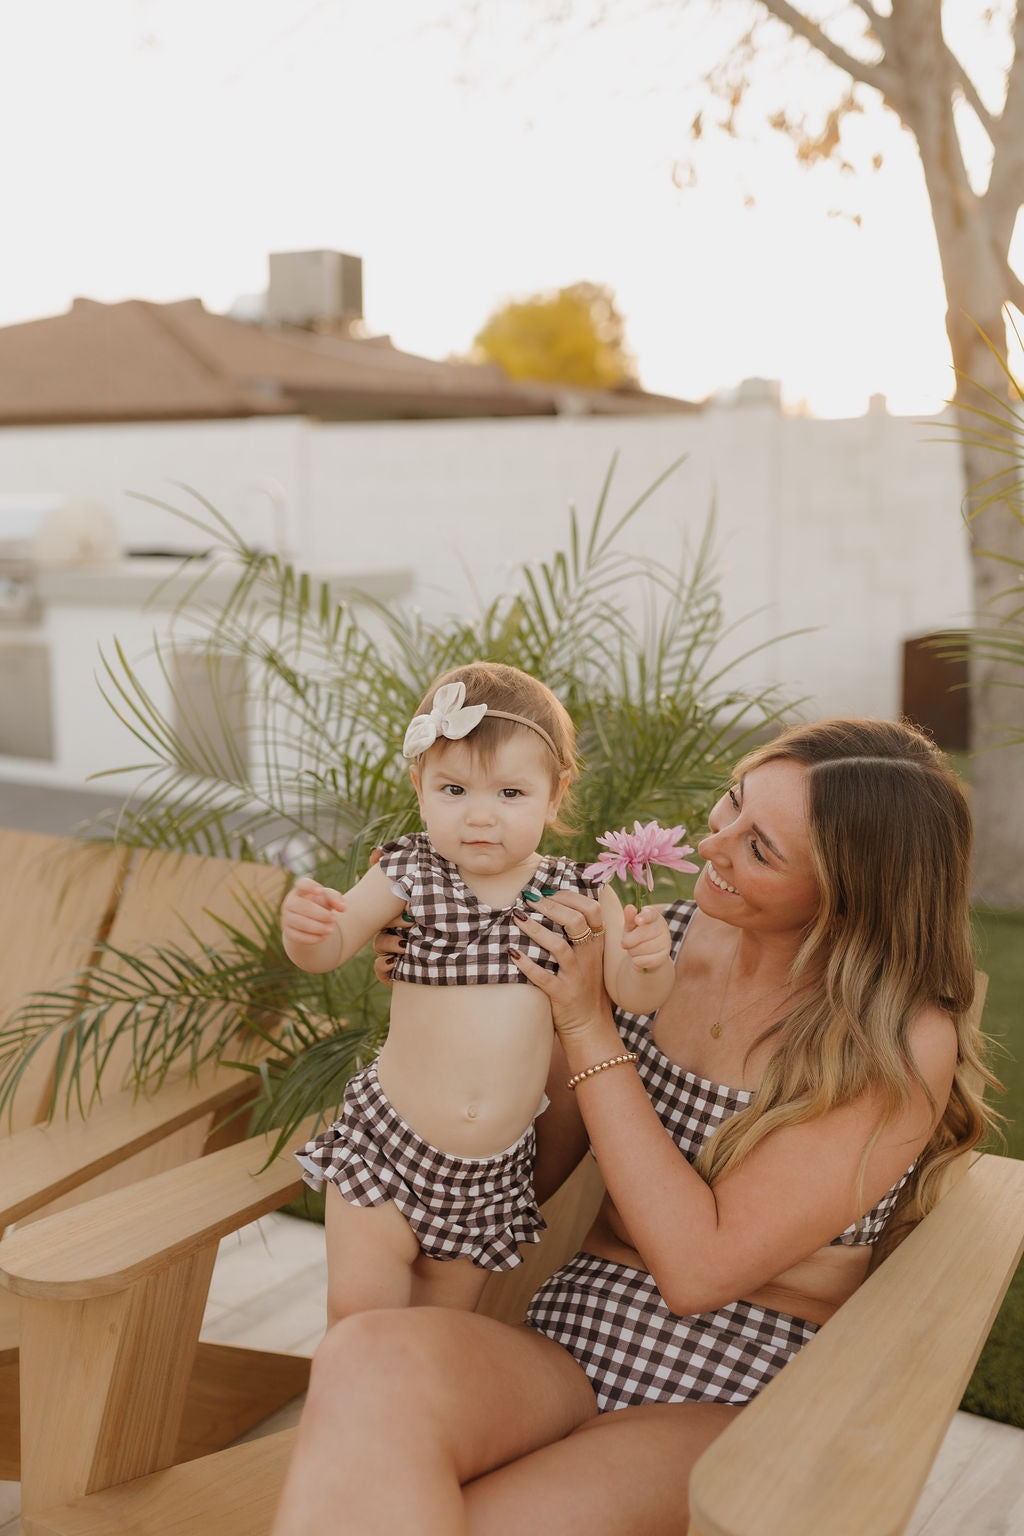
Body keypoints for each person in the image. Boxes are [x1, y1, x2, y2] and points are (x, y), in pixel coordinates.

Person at [271, 717, 995, 1536]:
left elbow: (698, 1269)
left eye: (761, 850)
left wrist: (588, 1025)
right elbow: (532, 1165)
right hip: (574, 1335)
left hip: (734, 1387)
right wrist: (456, 969)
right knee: (360, 1358)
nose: (713, 846)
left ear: (849, 893)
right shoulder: (660, 950)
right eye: (731, 807)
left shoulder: (893, 1039)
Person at [281, 661, 676, 1318]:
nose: (480, 817)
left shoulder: (576, 892)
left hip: (489, 1177)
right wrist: (307, 928)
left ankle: (415, 1421)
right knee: (361, 1319)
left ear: (555, 796)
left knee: (440, 1332)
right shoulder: (409, 871)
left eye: (510, 795)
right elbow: (330, 946)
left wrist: (645, 957)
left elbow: (633, 997)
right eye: (454, 789)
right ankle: (354, 1407)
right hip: (389, 1146)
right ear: (420, 787)